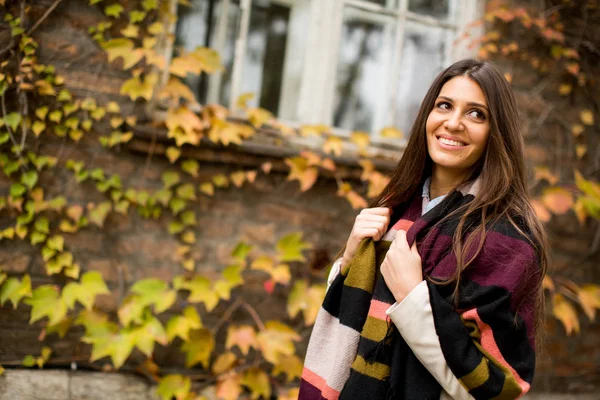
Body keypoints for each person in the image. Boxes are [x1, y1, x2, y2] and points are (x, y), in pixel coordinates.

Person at [299, 59, 548, 400]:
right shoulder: (396, 207)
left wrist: (414, 298)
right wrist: (349, 260)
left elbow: (498, 387)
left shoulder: (507, 240)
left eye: (476, 114)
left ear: (496, 131)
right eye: (444, 106)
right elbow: (349, 327)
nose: (453, 123)